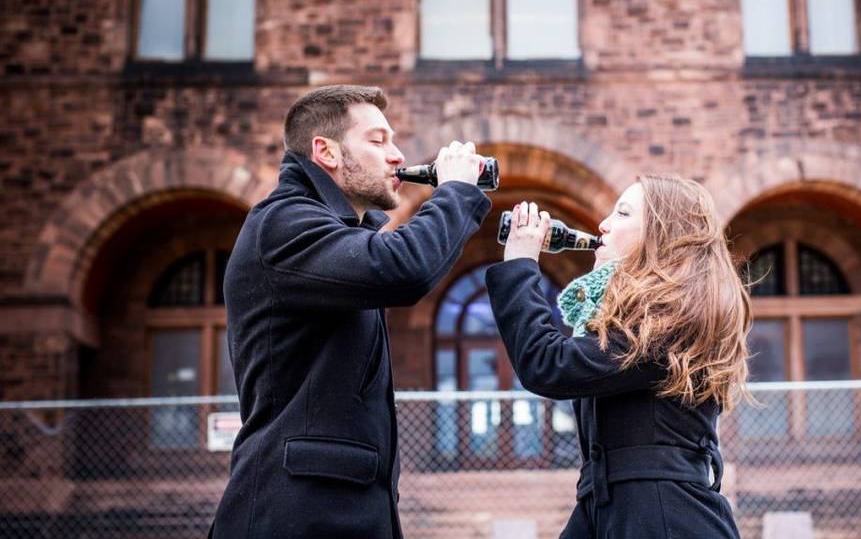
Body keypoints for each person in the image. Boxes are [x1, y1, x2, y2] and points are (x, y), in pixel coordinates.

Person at [210, 85, 492, 539]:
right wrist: (456, 190)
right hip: (293, 515)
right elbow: (404, 269)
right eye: (378, 141)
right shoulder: (283, 223)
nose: (397, 155)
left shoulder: (339, 234)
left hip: (340, 511)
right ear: (326, 152)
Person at [485, 175, 751, 538]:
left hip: (662, 515)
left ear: (662, 234)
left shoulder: (668, 322)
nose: (603, 224)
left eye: (623, 213)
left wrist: (519, 263)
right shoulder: (634, 317)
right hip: (611, 506)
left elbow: (547, 364)